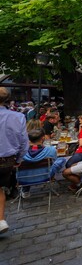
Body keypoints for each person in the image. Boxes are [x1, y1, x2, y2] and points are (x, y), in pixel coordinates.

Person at [0, 88, 29, 233]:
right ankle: (0, 220)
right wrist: (19, 158)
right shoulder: (18, 117)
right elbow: (24, 141)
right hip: (7, 160)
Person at [18, 128, 67, 197]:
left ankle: (25, 190)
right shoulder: (51, 150)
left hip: (24, 179)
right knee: (61, 159)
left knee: (27, 167)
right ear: (43, 138)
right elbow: (54, 162)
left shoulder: (20, 152)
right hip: (45, 177)